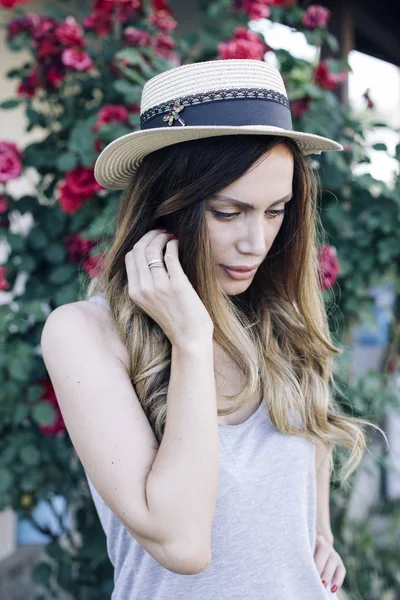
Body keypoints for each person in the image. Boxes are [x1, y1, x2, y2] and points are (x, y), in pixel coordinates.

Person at [41, 59, 376, 600]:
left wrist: (318, 535)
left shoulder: (278, 319)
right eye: (228, 212)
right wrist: (191, 341)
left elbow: (303, 474)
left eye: (276, 211)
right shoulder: (85, 333)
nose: (257, 242)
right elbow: (183, 544)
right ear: (166, 206)